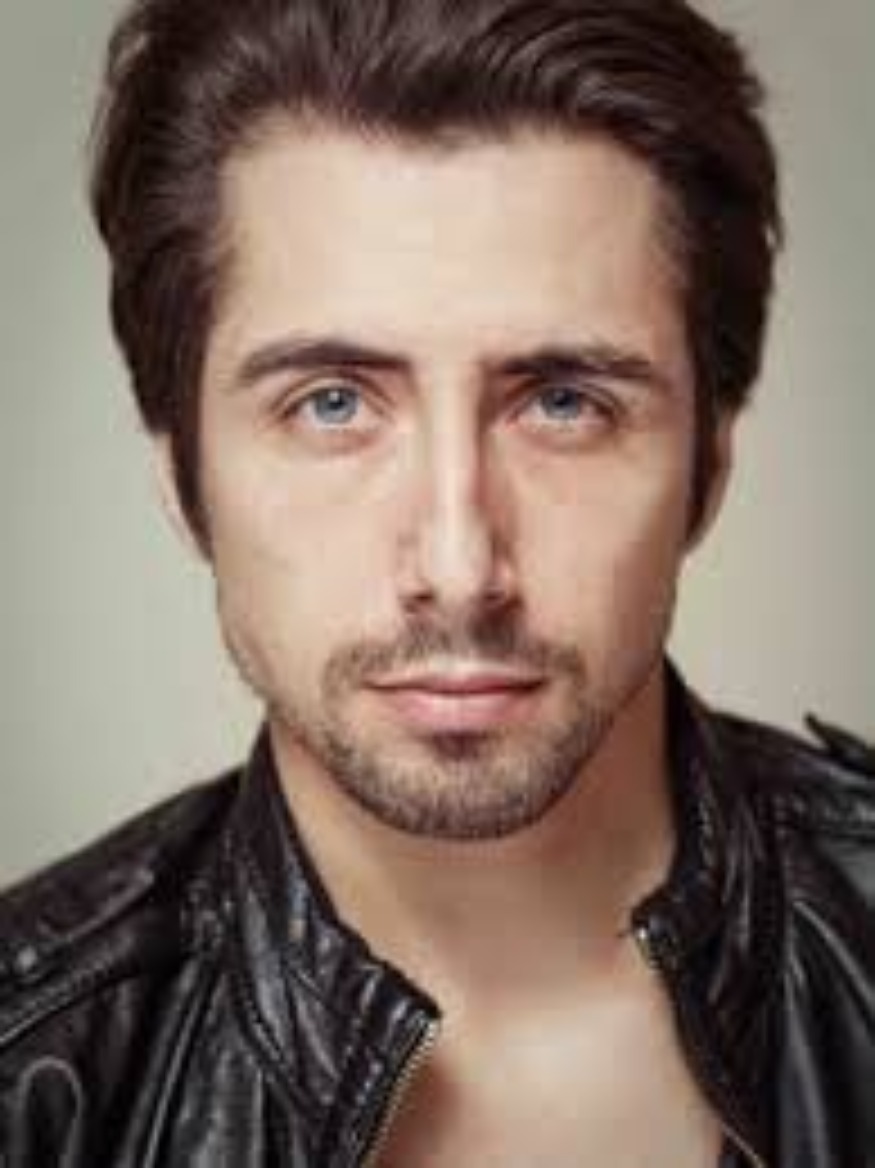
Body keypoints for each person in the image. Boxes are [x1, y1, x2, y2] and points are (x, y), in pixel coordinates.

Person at [1, 0, 873, 1163]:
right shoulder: (33, 1081)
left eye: (562, 402)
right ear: (183, 476)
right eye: (331, 404)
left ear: (707, 466)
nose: (459, 569)